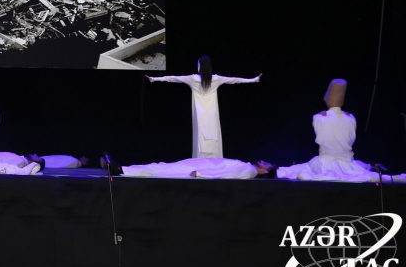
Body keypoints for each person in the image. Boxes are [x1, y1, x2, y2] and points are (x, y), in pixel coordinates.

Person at [147, 56, 260, 158]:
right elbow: (235, 80)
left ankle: (203, 159)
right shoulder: (215, 79)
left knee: (202, 133)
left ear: (200, 66)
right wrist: (253, 80)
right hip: (211, 111)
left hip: (200, 111)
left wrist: (155, 79)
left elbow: (174, 78)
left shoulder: (194, 79)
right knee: (211, 132)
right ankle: (211, 159)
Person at [277, 80, 379, 182]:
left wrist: (320, 116)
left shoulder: (318, 118)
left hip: (325, 163)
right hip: (347, 162)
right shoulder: (351, 118)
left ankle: (277, 171)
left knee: (302, 169)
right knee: (358, 168)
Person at [110, 157, 276, 179]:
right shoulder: (248, 167)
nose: (262, 161)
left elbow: (226, 173)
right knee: (161, 167)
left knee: (162, 171)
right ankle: (122, 169)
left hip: (201, 168)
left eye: (266, 164)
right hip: (200, 164)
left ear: (264, 171)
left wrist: (202, 173)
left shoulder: (249, 170)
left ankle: (120, 171)